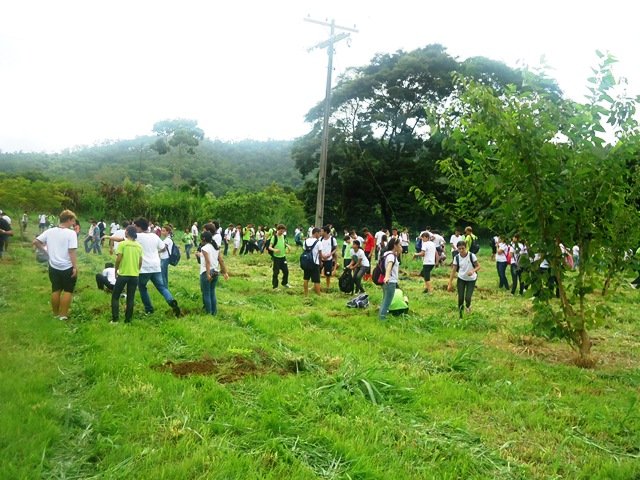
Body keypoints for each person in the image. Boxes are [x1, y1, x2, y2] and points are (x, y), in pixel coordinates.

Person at [33, 210, 78, 321]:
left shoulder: (50, 231)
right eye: (73, 221)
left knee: (56, 289)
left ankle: (56, 314)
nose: (74, 223)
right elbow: (71, 251)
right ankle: (63, 315)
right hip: (67, 267)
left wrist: (45, 251)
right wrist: (75, 267)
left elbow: (36, 242)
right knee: (68, 290)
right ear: (68, 220)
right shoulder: (71, 233)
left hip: (53, 266)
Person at [133, 217, 181, 317]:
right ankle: (171, 301)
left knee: (142, 287)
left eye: (135, 226)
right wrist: (155, 251)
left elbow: (124, 240)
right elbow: (163, 248)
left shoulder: (137, 236)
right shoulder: (154, 236)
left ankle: (149, 309)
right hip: (156, 266)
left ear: (139, 227)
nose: (134, 228)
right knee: (161, 287)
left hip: (144, 268)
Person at [111, 225, 143, 323]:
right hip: (134, 275)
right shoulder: (139, 246)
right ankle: (128, 320)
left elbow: (118, 259)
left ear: (127, 232)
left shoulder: (123, 244)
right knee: (130, 298)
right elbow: (140, 261)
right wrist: (137, 270)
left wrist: (116, 270)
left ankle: (115, 320)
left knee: (115, 296)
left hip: (123, 274)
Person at [197, 231, 229, 315]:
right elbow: (221, 260)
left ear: (203, 239)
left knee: (206, 293)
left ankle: (208, 313)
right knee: (212, 293)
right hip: (215, 271)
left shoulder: (205, 248)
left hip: (206, 272)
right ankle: (214, 313)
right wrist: (225, 272)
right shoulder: (216, 247)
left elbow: (208, 262)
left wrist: (208, 274)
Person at [448, 240, 481, 318]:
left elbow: (478, 266)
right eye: (459, 249)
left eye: (463, 248)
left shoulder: (471, 255)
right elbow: (453, 270)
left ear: (466, 248)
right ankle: (460, 315)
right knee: (460, 298)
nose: (461, 250)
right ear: (457, 249)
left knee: (468, 297)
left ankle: (468, 307)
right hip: (461, 278)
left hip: (471, 279)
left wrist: (473, 271)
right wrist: (450, 283)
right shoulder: (456, 257)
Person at [378, 238, 402, 321]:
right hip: (390, 281)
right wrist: (387, 277)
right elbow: (389, 267)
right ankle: (382, 318)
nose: (400, 246)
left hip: (386, 281)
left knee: (385, 299)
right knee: (387, 301)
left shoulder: (386, 254)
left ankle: (381, 315)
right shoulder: (391, 256)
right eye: (399, 245)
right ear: (395, 245)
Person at [268, 224, 290, 289]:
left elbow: (283, 243)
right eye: (281, 231)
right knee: (276, 272)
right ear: (277, 230)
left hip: (283, 257)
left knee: (286, 271)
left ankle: (284, 283)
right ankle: (275, 286)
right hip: (276, 257)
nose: (282, 232)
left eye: (283, 231)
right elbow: (269, 247)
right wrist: (274, 250)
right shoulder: (274, 237)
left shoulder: (283, 236)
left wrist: (287, 246)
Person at [302, 227, 322, 296]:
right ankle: (318, 295)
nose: (320, 235)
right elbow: (320, 254)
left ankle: (305, 294)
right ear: (316, 233)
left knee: (306, 278)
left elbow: (304, 251)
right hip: (315, 263)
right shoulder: (318, 242)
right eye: (319, 234)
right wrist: (320, 263)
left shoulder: (305, 241)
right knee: (316, 280)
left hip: (306, 262)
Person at [319, 225, 337, 291]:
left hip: (329, 259)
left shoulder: (332, 239)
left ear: (326, 232)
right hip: (321, 259)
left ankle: (328, 286)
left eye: (322, 231)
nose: (320, 232)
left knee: (328, 274)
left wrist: (330, 254)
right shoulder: (320, 239)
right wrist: (321, 255)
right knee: (318, 273)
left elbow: (335, 248)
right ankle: (317, 285)